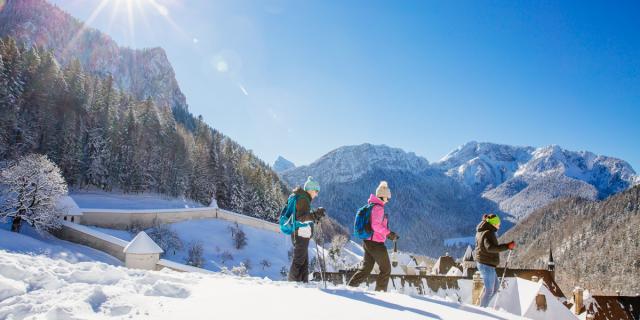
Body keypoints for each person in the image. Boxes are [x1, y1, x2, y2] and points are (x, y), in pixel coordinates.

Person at [347, 181, 399, 292]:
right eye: (387, 198)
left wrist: (389, 233)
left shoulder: (372, 206)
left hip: (368, 242)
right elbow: (375, 226)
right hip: (376, 244)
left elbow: (376, 225)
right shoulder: (378, 208)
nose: (388, 200)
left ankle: (349, 288)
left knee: (366, 269)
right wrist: (388, 233)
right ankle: (380, 293)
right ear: (382, 196)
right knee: (386, 269)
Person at [473, 213, 516, 307]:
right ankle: (481, 312)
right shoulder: (488, 232)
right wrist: (507, 246)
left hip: (486, 263)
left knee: (495, 288)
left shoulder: (482, 230)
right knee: (489, 291)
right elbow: (490, 248)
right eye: (498, 224)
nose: (499, 226)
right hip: (486, 264)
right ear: (493, 223)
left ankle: (483, 307)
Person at [288, 176, 325, 283]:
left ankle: (304, 285)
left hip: (301, 234)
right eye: (316, 191)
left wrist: (314, 217)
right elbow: (300, 218)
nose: (317, 194)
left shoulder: (303, 199)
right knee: (299, 261)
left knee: (303, 262)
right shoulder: (303, 199)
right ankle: (292, 285)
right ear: (310, 190)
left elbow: (304, 216)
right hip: (300, 233)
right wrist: (315, 215)